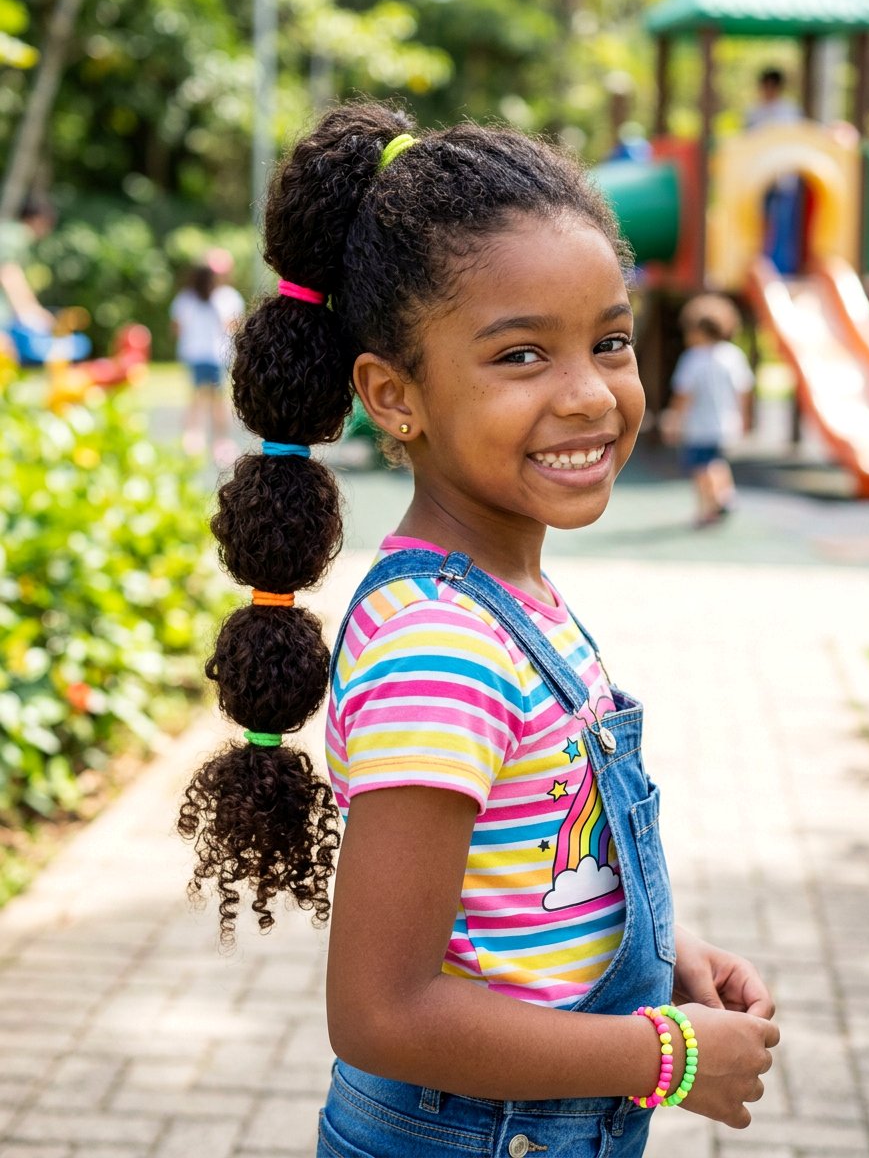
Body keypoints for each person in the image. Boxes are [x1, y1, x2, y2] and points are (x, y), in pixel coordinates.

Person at [178, 103, 779, 1157]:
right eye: (519, 357)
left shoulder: (504, 601)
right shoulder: (442, 647)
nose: (588, 393)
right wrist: (662, 1055)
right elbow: (382, 1010)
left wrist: (656, 951)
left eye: (607, 341)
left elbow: (519, 866)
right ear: (393, 396)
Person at [664, 295, 754, 527]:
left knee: (701, 468)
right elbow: (743, 390)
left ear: (696, 331)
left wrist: (673, 419)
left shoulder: (693, 359)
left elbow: (684, 394)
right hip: (725, 423)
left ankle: (710, 506)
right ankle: (726, 496)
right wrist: (744, 417)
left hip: (699, 426)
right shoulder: (733, 355)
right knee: (716, 461)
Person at [169, 252, 244, 463]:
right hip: (206, 354)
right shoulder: (212, 297)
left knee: (208, 398)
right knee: (207, 398)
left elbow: (177, 326)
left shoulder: (219, 297)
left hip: (211, 354)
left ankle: (210, 440)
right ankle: (201, 438)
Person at [0, 197, 91, 365]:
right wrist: (32, 313)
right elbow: (9, 275)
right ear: (39, 220)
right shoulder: (17, 236)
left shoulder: (7, 231)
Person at [745, 69, 804, 274]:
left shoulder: (788, 112)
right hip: (758, 180)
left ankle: (782, 268)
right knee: (759, 222)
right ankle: (761, 265)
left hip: (783, 179)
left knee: (783, 222)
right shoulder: (755, 112)